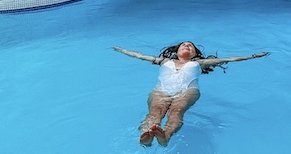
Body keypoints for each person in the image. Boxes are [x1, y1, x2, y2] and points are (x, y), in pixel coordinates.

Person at [112, 41, 269, 147]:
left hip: (187, 91)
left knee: (176, 112)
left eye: (190, 46)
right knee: (154, 113)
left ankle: (165, 135)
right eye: (183, 45)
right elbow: (139, 55)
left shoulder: (198, 63)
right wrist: (121, 50)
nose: (187, 46)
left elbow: (230, 59)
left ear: (195, 53)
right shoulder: (164, 61)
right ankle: (146, 137)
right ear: (177, 51)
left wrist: (252, 56)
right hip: (161, 91)